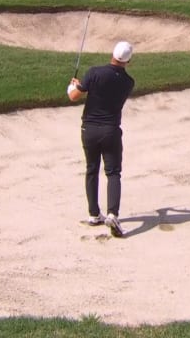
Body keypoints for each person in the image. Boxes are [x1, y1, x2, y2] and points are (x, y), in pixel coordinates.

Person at [67, 41, 136, 238]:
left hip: (89, 129)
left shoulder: (94, 73)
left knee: (91, 169)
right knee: (113, 172)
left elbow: (73, 96)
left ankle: (94, 214)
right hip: (111, 131)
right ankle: (113, 213)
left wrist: (71, 86)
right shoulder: (128, 82)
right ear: (128, 60)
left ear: (112, 54)